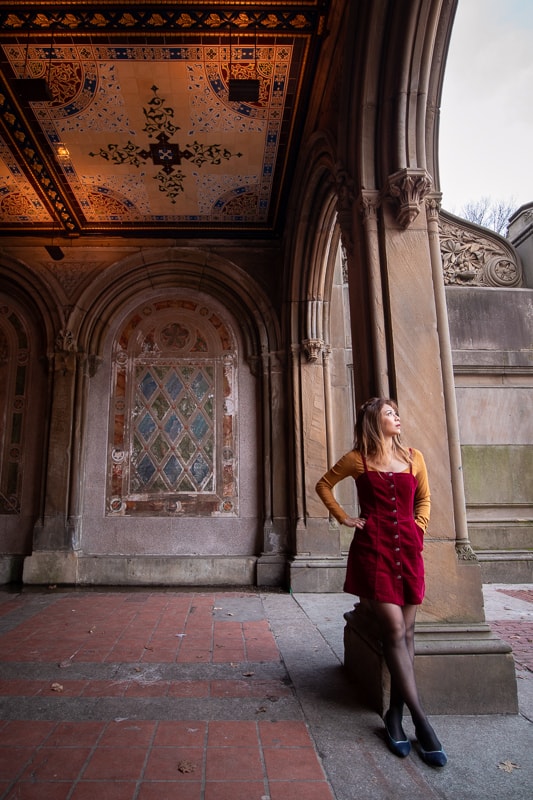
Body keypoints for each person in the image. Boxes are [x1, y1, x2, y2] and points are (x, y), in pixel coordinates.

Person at [316, 397, 447, 767]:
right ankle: (422, 723)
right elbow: (324, 484)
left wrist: (418, 529)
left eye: (397, 412)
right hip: (373, 550)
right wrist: (344, 517)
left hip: (408, 549)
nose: (397, 417)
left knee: (407, 634)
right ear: (375, 421)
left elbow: (425, 498)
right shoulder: (357, 459)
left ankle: (394, 716)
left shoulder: (414, 457)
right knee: (392, 630)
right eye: (390, 413)